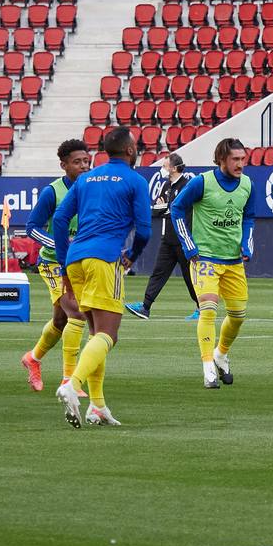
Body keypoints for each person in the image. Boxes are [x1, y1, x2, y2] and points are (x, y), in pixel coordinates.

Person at [50, 128, 151, 427]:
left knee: (95, 333)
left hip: (76, 258)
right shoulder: (135, 180)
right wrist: (132, 255)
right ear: (130, 150)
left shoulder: (85, 179)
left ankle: (97, 406)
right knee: (109, 334)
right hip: (105, 258)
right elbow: (144, 230)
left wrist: (63, 261)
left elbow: (59, 219)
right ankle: (72, 385)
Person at [172, 138, 256, 389]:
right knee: (208, 309)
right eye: (235, 159)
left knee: (238, 316)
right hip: (204, 258)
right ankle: (208, 365)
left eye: (243, 159)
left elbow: (249, 217)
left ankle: (220, 353)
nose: (240, 164)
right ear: (221, 159)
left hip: (233, 261)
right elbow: (176, 209)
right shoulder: (202, 182)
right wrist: (188, 244)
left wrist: (247, 243)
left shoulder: (248, 185)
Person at [20, 139, 92, 398]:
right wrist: (60, 243)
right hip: (53, 263)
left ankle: (33, 358)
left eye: (86, 160)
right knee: (77, 314)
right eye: (77, 162)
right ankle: (69, 381)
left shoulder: (93, 188)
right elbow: (32, 227)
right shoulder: (53, 192)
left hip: (82, 262)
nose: (84, 166)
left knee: (61, 320)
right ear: (64, 166)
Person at [127, 153, 200, 321]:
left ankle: (201, 307)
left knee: (189, 277)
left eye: (165, 165)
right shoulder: (166, 186)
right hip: (167, 239)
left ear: (174, 168)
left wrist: (166, 209)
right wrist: (165, 209)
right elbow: (158, 208)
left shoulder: (186, 185)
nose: (163, 168)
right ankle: (145, 307)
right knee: (158, 273)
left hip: (182, 240)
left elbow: (173, 209)